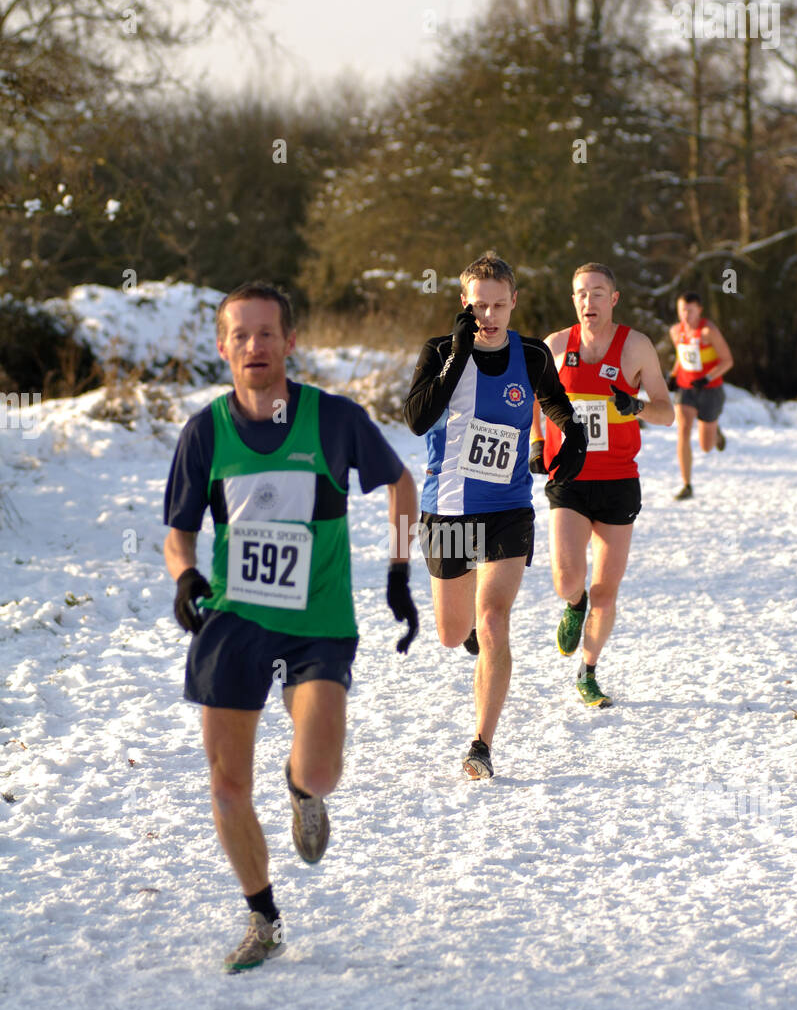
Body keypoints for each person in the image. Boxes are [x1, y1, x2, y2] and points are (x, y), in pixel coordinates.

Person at [163, 281, 418, 972]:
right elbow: (178, 535)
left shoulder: (334, 421)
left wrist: (398, 570)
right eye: (240, 335)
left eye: (266, 332)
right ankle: (263, 916)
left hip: (318, 621)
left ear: (289, 342)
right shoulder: (205, 432)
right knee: (225, 783)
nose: (254, 345)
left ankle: (302, 791)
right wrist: (185, 577)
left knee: (322, 766)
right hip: (236, 619)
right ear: (222, 347)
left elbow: (401, 484)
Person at [404, 250, 586, 779]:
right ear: (463, 303)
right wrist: (458, 355)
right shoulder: (440, 350)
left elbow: (553, 401)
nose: (488, 316)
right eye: (479, 306)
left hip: (508, 507)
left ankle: (481, 743)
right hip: (449, 510)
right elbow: (417, 420)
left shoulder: (530, 355)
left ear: (513, 304)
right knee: (452, 630)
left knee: (493, 619)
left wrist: (569, 430)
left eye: (498, 306)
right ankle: (470, 644)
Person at [530, 263, 673, 707]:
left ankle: (588, 672)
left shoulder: (637, 347)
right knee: (567, 578)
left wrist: (637, 406)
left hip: (618, 481)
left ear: (613, 299)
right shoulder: (554, 346)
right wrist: (537, 442)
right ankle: (573, 605)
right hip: (569, 478)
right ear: (573, 300)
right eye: (580, 293)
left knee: (606, 591)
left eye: (597, 293)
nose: (587, 301)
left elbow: (667, 411)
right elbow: (533, 400)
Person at [667, 290, 734, 500]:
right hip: (686, 388)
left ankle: (715, 432)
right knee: (683, 430)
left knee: (706, 446)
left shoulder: (708, 331)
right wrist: (673, 374)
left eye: (689, 311)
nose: (685, 315)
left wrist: (706, 378)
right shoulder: (676, 331)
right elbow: (682, 355)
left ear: (699, 311)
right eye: (681, 311)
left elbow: (727, 360)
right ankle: (687, 484)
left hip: (710, 390)